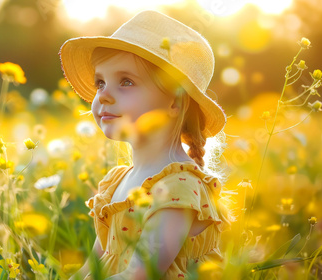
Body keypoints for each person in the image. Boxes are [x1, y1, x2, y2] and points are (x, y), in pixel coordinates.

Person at [59, 10, 235, 279]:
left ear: (174, 101)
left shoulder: (178, 188)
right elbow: (95, 265)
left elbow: (141, 273)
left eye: (126, 81)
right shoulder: (118, 180)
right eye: (100, 82)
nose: (103, 95)